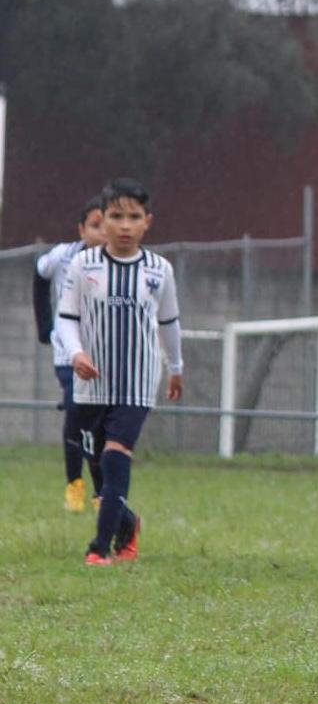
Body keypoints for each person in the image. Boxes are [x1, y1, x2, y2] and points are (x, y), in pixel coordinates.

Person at [55, 178, 184, 566]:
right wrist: (76, 353)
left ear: (148, 221)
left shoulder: (159, 270)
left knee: (115, 456)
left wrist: (176, 367)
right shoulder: (83, 265)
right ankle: (128, 524)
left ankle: (99, 548)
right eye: (116, 216)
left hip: (137, 382)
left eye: (134, 217)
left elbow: (169, 323)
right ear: (103, 219)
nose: (125, 226)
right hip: (92, 382)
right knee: (98, 465)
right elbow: (67, 318)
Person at [34, 194, 108, 512]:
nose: (102, 232)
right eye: (95, 225)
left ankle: (101, 491)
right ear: (81, 229)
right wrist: (44, 326)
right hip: (68, 354)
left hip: (103, 354)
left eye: (107, 225)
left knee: (99, 421)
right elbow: (39, 274)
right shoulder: (63, 256)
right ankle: (74, 484)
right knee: (77, 411)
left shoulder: (120, 263)